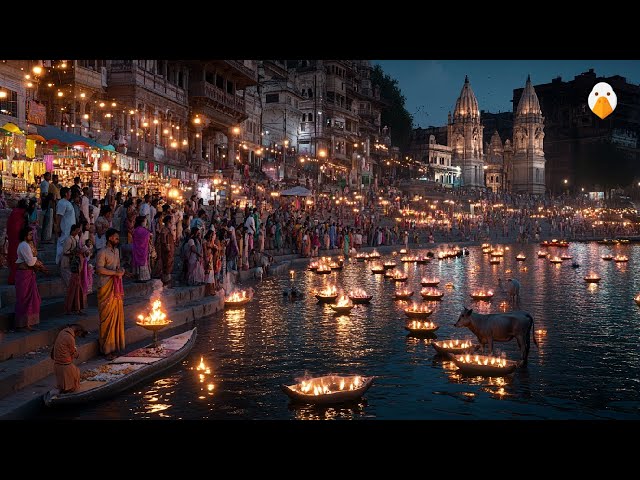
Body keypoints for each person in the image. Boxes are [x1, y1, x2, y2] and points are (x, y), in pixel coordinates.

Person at [95, 228, 125, 360]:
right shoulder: (102, 252)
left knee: (115, 317)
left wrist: (121, 270)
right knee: (106, 319)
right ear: (109, 238)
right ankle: (106, 350)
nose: (117, 240)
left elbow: (117, 267)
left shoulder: (117, 251)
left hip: (115, 287)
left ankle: (113, 347)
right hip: (105, 287)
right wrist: (115, 273)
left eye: (118, 238)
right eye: (116, 238)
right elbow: (99, 269)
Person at [14, 226, 48, 330]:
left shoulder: (28, 244)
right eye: (29, 234)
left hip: (29, 274)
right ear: (25, 235)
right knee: (24, 299)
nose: (31, 236)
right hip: (24, 275)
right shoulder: (24, 245)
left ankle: (28, 322)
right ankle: (23, 324)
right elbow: (30, 261)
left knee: (32, 299)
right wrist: (40, 265)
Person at [50, 324, 87, 393]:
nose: (77, 337)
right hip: (64, 363)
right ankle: (69, 389)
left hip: (57, 362)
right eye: (78, 335)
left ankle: (64, 388)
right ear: (78, 332)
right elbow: (73, 353)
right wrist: (77, 354)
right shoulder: (70, 338)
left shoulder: (62, 332)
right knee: (76, 373)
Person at [64, 224, 87, 315]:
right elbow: (65, 252)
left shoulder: (76, 239)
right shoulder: (68, 239)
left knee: (77, 288)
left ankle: (76, 308)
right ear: (73, 230)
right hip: (71, 266)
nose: (78, 232)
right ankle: (70, 309)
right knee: (72, 288)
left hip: (76, 267)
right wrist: (77, 252)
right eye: (77, 230)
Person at [7, 199, 28, 285]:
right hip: (18, 239)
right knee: (17, 258)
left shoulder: (14, 212)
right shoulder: (21, 214)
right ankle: (14, 278)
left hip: (12, 238)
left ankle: (12, 278)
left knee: (13, 258)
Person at [55, 187, 76, 264]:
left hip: (69, 229)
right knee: (62, 246)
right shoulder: (62, 203)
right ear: (65, 194)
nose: (70, 194)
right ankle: (59, 262)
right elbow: (59, 216)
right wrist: (58, 227)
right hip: (65, 229)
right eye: (69, 192)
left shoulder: (67, 202)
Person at [132, 215, 151, 282]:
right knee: (143, 262)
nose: (146, 222)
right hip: (143, 248)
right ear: (142, 222)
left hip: (137, 248)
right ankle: (143, 277)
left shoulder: (136, 229)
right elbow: (148, 235)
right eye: (145, 221)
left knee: (138, 263)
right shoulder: (144, 230)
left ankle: (138, 276)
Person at [158, 215, 175, 287]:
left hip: (170, 249)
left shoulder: (168, 229)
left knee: (170, 264)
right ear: (168, 221)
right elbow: (163, 240)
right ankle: (165, 282)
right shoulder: (164, 229)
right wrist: (167, 247)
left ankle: (168, 281)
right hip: (166, 250)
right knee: (166, 264)